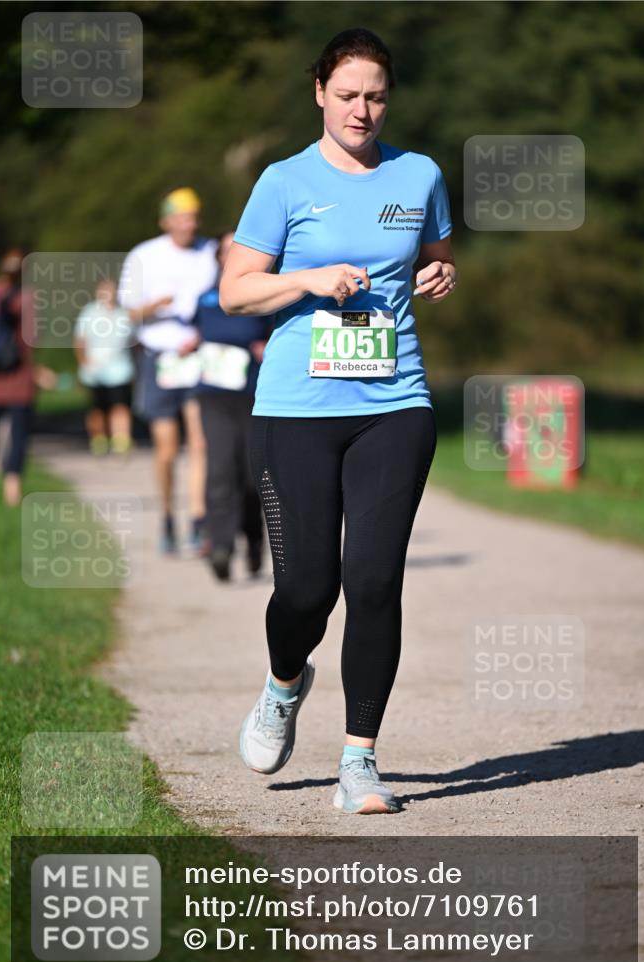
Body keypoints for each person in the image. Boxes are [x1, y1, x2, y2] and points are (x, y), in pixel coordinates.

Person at [221, 28, 457, 814]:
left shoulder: (418, 173)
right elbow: (234, 292)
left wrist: (440, 270)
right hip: (295, 408)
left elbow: (437, 251)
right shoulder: (283, 182)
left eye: (376, 96)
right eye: (348, 94)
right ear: (319, 93)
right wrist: (308, 278)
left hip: (394, 402)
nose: (363, 110)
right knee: (304, 592)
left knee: (375, 579)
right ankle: (283, 685)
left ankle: (360, 759)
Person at [118, 188, 217, 554]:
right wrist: (157, 304)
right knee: (166, 448)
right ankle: (166, 516)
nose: (189, 224)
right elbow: (128, 312)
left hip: (198, 357)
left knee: (201, 442)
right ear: (166, 221)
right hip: (158, 358)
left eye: (193, 217)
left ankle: (197, 519)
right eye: (181, 217)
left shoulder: (209, 253)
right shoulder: (144, 255)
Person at [195, 231, 272, 581]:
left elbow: (277, 333)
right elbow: (194, 334)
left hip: (255, 394)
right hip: (214, 394)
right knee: (220, 470)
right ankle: (222, 545)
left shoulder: (265, 293)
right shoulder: (205, 298)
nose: (232, 255)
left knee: (251, 475)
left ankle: (255, 540)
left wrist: (267, 344)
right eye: (226, 250)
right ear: (219, 259)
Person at [0, 249, 56, 506]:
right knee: (18, 436)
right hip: (20, 380)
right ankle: (12, 491)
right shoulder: (28, 299)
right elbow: (33, 338)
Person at [74, 278, 135, 457]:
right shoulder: (89, 313)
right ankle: (99, 439)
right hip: (95, 371)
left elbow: (133, 340)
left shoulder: (124, 314)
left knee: (120, 406)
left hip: (120, 370)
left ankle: (121, 440)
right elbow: (80, 341)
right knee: (97, 408)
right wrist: (85, 363)